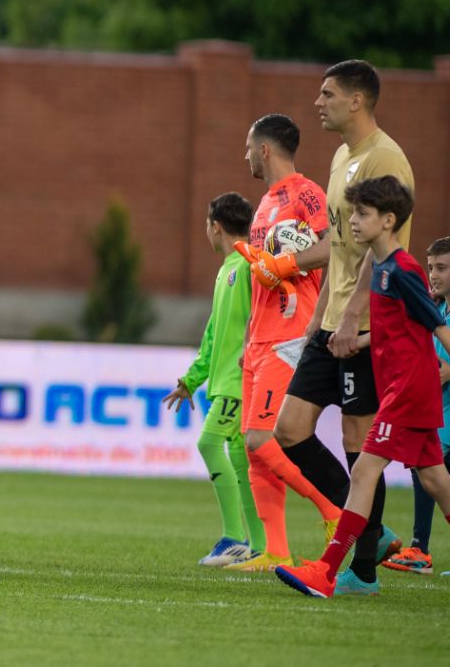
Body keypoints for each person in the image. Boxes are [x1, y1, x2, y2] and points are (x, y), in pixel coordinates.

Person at [273, 60, 414, 594]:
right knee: (289, 430)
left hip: (366, 327)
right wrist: (317, 311)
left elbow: (383, 248)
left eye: (327, 94)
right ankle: (371, 534)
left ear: (357, 100)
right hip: (331, 322)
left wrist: (354, 316)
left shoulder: (386, 158)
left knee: (361, 446)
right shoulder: (339, 157)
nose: (318, 102)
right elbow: (339, 242)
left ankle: (364, 568)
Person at [276, 176, 450, 598]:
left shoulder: (402, 270)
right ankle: (340, 571)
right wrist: (358, 339)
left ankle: (327, 571)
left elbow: (438, 325)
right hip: (407, 388)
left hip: (406, 391)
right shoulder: (381, 268)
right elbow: (405, 328)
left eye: (362, 214)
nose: (352, 221)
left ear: (389, 220)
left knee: (364, 472)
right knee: (437, 481)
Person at [221, 114, 343, 573]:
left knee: (260, 437)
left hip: (290, 332)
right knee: (250, 444)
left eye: (249, 146)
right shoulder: (267, 203)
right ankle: (274, 550)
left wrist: (286, 263)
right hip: (260, 335)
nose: (245, 155)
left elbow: (334, 246)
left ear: (265, 149)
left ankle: (333, 510)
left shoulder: (305, 192)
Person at [163, 192, 263, 566]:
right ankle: (259, 544)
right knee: (240, 458)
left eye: (207, 224)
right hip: (226, 382)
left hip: (241, 381)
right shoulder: (227, 270)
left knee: (209, 444)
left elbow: (264, 322)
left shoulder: (251, 268)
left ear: (215, 226)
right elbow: (213, 335)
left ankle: (234, 537)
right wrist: (191, 379)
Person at [381, 236, 450, 575]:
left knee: (429, 472)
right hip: (435, 406)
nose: (433, 275)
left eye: (442, 268)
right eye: (431, 267)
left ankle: (420, 548)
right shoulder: (436, 307)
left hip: (444, 407)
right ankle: (419, 548)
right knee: (426, 471)